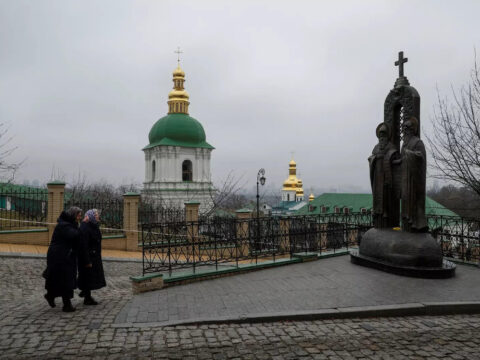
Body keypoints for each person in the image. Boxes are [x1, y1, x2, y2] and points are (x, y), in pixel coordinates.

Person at [43, 206, 83, 312]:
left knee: (62, 279)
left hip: (65, 255)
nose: (80, 217)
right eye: (78, 215)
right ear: (73, 215)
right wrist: (80, 228)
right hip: (59, 256)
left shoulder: (69, 224)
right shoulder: (64, 225)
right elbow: (74, 235)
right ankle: (66, 304)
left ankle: (51, 296)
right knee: (64, 279)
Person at [368, 122, 400, 228]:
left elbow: (395, 157)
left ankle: (386, 214)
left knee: (386, 195)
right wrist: (373, 159)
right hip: (377, 176)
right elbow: (372, 157)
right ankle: (377, 213)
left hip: (386, 175)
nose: (382, 137)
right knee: (377, 196)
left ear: (387, 135)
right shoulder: (376, 147)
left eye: (383, 134)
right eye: (380, 134)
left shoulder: (391, 146)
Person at [400, 117, 428, 232]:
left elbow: (421, 157)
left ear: (413, 130)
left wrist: (409, 153)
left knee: (413, 201)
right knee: (405, 199)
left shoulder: (418, 142)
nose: (405, 130)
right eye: (404, 127)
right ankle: (407, 221)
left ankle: (416, 223)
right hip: (405, 178)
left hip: (413, 178)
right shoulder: (404, 144)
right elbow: (402, 159)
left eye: (408, 128)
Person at [78, 209, 106, 305]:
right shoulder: (85, 228)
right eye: (96, 215)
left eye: (97, 214)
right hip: (89, 256)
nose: (98, 216)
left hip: (94, 256)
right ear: (92, 216)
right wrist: (87, 260)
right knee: (87, 276)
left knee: (90, 277)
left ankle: (85, 292)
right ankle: (87, 297)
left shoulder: (94, 225)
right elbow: (84, 245)